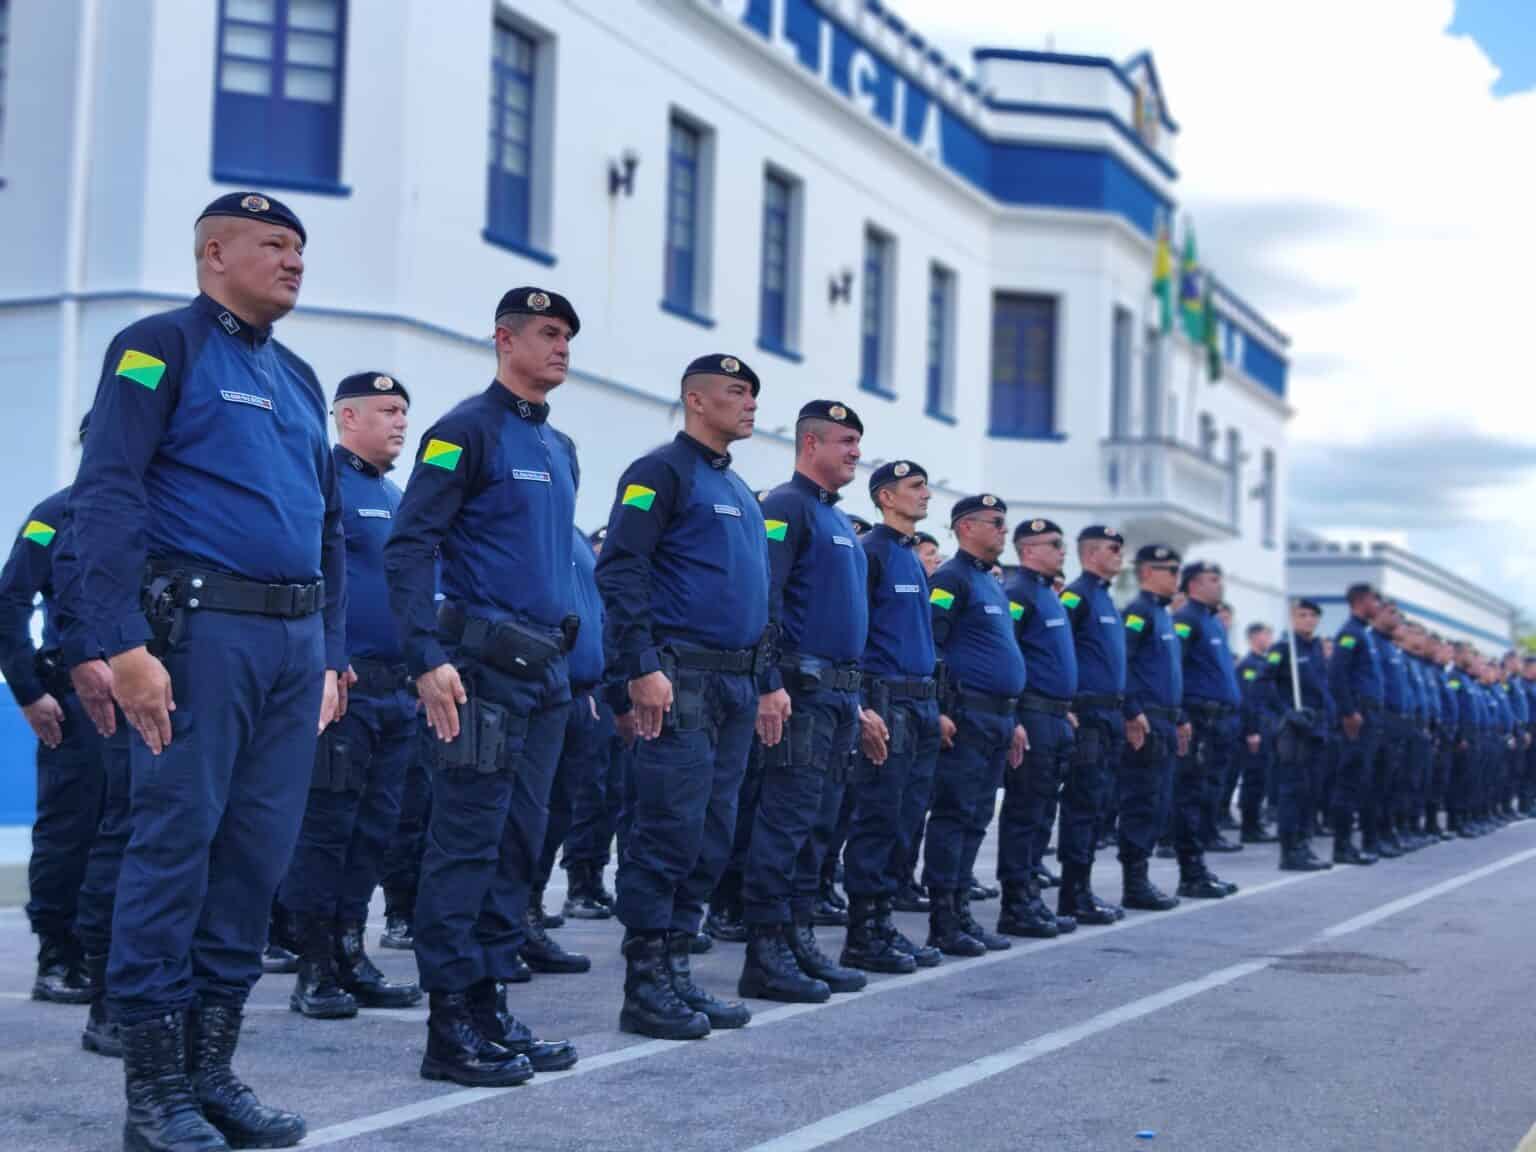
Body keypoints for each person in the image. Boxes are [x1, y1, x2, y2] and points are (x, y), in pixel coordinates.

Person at [72, 192, 345, 1149]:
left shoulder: (302, 378)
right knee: (174, 851)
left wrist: (331, 656)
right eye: (273, 244)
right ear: (213, 252)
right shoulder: (160, 345)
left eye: (300, 248)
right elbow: (106, 493)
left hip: (291, 647)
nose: (294, 260)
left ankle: (210, 1075)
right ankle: (154, 1095)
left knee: (254, 861)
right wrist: (120, 641)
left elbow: (327, 528)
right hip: (198, 640)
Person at [385, 286, 584, 1087]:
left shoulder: (560, 446)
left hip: (547, 679)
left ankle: (491, 1006)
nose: (562, 346)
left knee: (518, 847)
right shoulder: (463, 431)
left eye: (568, 334)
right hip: (479, 676)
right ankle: (449, 1028)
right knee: (464, 846)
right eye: (547, 332)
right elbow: (407, 549)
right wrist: (426, 656)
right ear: (504, 340)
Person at [594, 353, 768, 1037]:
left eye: (753, 393)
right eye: (735, 391)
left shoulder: (740, 490)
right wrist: (638, 664)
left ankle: (678, 972)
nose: (749, 403)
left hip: (733, 682)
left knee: (711, 833)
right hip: (679, 678)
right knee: (667, 828)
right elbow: (621, 571)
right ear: (697, 401)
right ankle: (645, 985)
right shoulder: (659, 472)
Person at [280, 372, 422, 1020]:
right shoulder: (324, 483)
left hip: (396, 694)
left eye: (404, 412)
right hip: (344, 688)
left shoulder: (394, 496)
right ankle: (313, 967)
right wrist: (324, 666)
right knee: (326, 831)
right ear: (347, 417)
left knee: (373, 832)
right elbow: (313, 577)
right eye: (387, 410)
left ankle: (349, 950)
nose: (400, 422)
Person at [738, 401, 869, 1003]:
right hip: (801, 692)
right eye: (845, 441)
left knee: (819, 825)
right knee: (785, 822)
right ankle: (766, 950)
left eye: (857, 442)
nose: (855, 453)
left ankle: (798, 937)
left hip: (839, 694)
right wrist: (769, 682)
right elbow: (765, 598)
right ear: (810, 443)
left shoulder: (836, 519)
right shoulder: (786, 507)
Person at [0, 470, 102, 1005]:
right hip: (75, 702)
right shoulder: (52, 516)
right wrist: (27, 690)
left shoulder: (169, 512)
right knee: (71, 828)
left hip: (150, 699)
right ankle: (58, 953)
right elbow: (10, 601)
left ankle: (111, 950)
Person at [839, 460, 942, 974]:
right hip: (887, 702)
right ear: (885, 497)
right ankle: (862, 932)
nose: (926, 494)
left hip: (921, 703)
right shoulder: (872, 553)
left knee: (905, 820)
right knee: (876, 820)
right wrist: (861, 706)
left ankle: (884, 922)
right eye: (914, 487)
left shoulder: (909, 557)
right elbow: (854, 632)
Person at [921, 495, 1026, 956]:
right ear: (966, 527)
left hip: (998, 716)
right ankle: (943, 919)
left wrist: (1014, 718)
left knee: (979, 816)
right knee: (955, 814)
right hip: (965, 716)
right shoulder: (950, 579)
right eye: (996, 523)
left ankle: (961, 910)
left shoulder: (991, 583)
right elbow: (931, 645)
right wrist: (940, 708)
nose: (1005, 531)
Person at [997, 519, 1084, 938]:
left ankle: (1031, 894)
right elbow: (1009, 655)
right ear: (1029, 549)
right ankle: (1016, 902)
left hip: (1054, 715)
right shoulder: (1017, 594)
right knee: (1025, 810)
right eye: (1055, 544)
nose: (1062, 551)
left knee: (1043, 809)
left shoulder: (1049, 595)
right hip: (1030, 715)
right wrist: (1014, 714)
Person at [1058, 525, 1129, 923]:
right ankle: (1072, 894)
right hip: (1086, 714)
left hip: (1110, 716)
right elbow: (1059, 652)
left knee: (1099, 803)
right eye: (1112, 548)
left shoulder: (1105, 597)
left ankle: (1083, 887)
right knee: (1082, 804)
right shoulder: (1077, 596)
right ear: (1089, 555)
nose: (1120, 554)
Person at [1116, 546, 1183, 911]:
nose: (1176, 576)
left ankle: (1141, 875)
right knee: (1141, 800)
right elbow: (1121, 662)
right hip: (1146, 720)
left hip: (1167, 719)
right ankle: (1134, 881)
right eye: (1168, 569)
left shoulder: (1163, 614)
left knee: (1158, 800)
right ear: (1146, 573)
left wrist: (1182, 717)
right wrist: (1132, 709)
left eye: (1177, 569)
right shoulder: (1139, 613)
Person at [1171, 562, 1241, 899]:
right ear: (1195, 584)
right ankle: (1190, 871)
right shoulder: (1186, 619)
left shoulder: (1213, 621)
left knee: (1210, 794)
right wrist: (1182, 715)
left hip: (1220, 722)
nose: (1220, 584)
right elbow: (1175, 669)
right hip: (1199, 720)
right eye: (1214, 579)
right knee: (1192, 797)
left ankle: (1199, 866)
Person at [1262, 600, 1334, 871]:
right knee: (1293, 790)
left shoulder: (1316, 649)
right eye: (1301, 615)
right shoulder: (1283, 649)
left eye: (1312, 615)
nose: (1307, 620)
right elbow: (1263, 683)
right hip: (1294, 731)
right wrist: (1286, 712)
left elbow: (1323, 689)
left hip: (1317, 727)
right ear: (1292, 618)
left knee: (1311, 791)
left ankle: (1304, 845)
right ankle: (1290, 850)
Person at [1234, 623, 1279, 844]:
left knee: (1262, 778)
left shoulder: (1265, 663)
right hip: (1255, 729)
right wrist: (1251, 730)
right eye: (1266, 633)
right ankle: (1249, 826)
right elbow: (1248, 700)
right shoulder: (1249, 666)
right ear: (1253, 637)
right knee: (1253, 778)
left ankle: (1255, 824)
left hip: (1267, 728)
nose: (1270, 637)